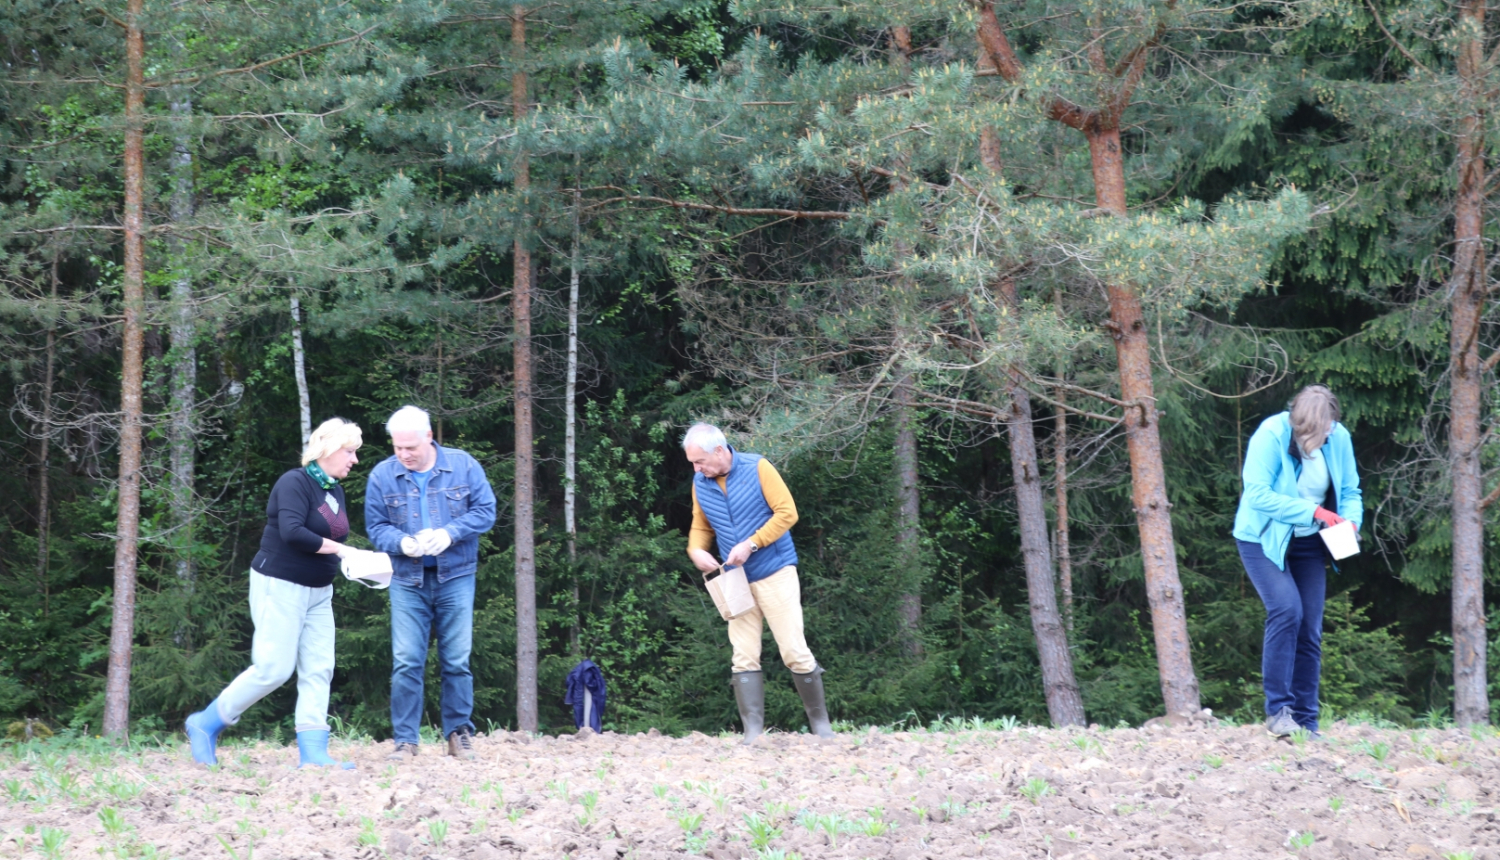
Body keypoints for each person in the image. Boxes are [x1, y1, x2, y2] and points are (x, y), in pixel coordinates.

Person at [185, 417, 364, 768]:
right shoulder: (293, 483)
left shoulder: (334, 489)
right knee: (273, 669)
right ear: (327, 449)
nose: (355, 460)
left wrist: (355, 560)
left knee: (319, 667)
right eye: (350, 451)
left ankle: (313, 753)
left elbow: (333, 539)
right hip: (279, 584)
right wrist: (343, 551)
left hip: (319, 592)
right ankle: (206, 723)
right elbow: (294, 533)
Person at [682, 423, 834, 744]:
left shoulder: (759, 467)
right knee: (743, 655)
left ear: (720, 451)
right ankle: (753, 733)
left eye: (700, 462)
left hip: (775, 570)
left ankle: (821, 726)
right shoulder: (700, 482)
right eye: (693, 463)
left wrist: (752, 543)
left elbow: (787, 513)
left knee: (794, 650)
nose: (696, 469)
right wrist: (696, 549)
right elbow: (701, 524)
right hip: (735, 579)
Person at [365, 406, 497, 761]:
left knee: (456, 659)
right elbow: (376, 527)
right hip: (406, 579)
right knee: (407, 660)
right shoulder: (381, 476)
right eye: (397, 448)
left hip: (456, 575)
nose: (404, 455)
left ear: (428, 437)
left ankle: (458, 734)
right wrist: (401, 543)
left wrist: (449, 534)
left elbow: (486, 511)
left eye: (411, 447)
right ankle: (406, 741)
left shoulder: (464, 466)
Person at [1232, 385, 1362, 737]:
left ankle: (1307, 721)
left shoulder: (1339, 437)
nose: (1323, 439)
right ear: (1300, 424)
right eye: (1316, 433)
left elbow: (1350, 491)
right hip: (1262, 538)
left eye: (1328, 431)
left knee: (1310, 628)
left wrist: (1350, 523)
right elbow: (1258, 494)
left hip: (1308, 542)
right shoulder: (1271, 434)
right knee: (1287, 610)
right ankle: (1278, 712)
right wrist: (1315, 511)